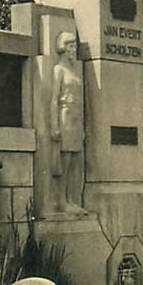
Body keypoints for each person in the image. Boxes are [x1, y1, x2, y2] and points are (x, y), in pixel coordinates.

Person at [50, 31, 87, 214]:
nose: (74, 50)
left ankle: (71, 200)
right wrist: (54, 125)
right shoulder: (59, 70)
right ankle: (61, 200)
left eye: (75, 46)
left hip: (76, 117)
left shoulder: (75, 71)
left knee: (74, 162)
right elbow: (54, 99)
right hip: (65, 116)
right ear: (63, 48)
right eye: (71, 46)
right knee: (64, 162)